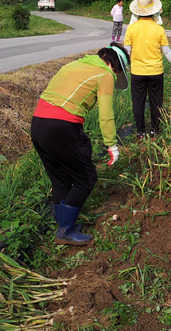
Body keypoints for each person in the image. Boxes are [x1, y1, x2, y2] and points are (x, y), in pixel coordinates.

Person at [31, 44, 130, 246]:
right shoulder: (106, 74)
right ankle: (66, 231)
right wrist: (112, 145)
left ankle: (63, 225)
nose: (116, 76)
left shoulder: (73, 65)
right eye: (118, 72)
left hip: (38, 123)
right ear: (114, 65)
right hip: (61, 126)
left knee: (61, 179)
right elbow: (106, 114)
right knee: (86, 178)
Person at [124, 0, 171, 140]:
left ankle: (140, 132)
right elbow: (167, 51)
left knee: (138, 102)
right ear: (154, 11)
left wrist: (123, 68)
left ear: (137, 11)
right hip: (156, 72)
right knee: (156, 102)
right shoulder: (159, 29)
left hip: (137, 72)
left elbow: (127, 51)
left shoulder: (131, 29)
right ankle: (154, 130)